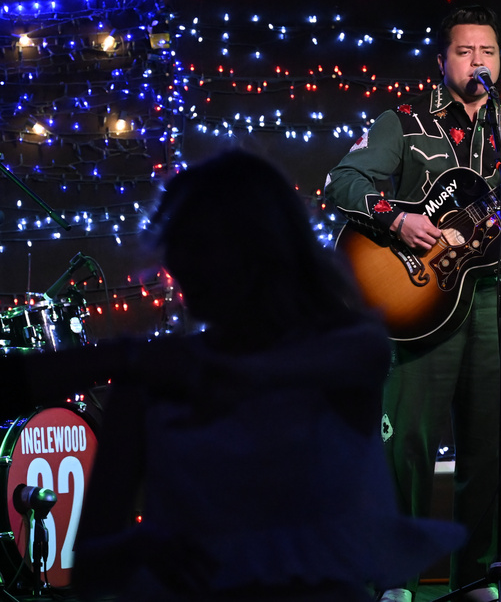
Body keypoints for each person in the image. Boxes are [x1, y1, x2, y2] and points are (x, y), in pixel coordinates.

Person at [64, 150, 464, 601]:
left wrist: (137, 362)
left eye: (200, 245)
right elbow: (90, 569)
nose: (178, 265)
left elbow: (352, 355)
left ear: (258, 249)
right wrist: (142, 547)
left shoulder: (344, 352)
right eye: (177, 244)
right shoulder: (151, 377)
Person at [324, 4, 501, 602]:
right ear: (442, 60)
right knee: (407, 446)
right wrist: (397, 219)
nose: (478, 61)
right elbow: (342, 182)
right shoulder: (404, 123)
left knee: (490, 445)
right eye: (465, 51)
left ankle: (478, 574)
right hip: (419, 300)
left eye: (489, 52)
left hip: (493, 300)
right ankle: (393, 577)